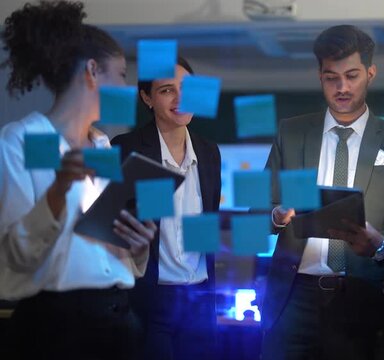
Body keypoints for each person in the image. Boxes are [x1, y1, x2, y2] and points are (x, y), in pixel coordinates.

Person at [0, 1, 157, 359]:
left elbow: (108, 251)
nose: (126, 87)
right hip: (57, 326)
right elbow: (14, 257)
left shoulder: (102, 144)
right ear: (92, 71)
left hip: (119, 316)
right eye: (120, 75)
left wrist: (138, 245)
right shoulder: (24, 140)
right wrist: (58, 190)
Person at [260, 24, 384, 360]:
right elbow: (258, 209)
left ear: (370, 73)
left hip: (362, 297)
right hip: (292, 297)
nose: (342, 87)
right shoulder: (291, 132)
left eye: (352, 75)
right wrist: (276, 214)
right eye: (332, 77)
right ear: (320, 75)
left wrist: (380, 242)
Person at [111, 56, 221, 360]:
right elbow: (113, 227)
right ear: (147, 98)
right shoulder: (125, 148)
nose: (180, 99)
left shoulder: (209, 152)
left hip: (199, 297)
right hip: (149, 299)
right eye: (166, 90)